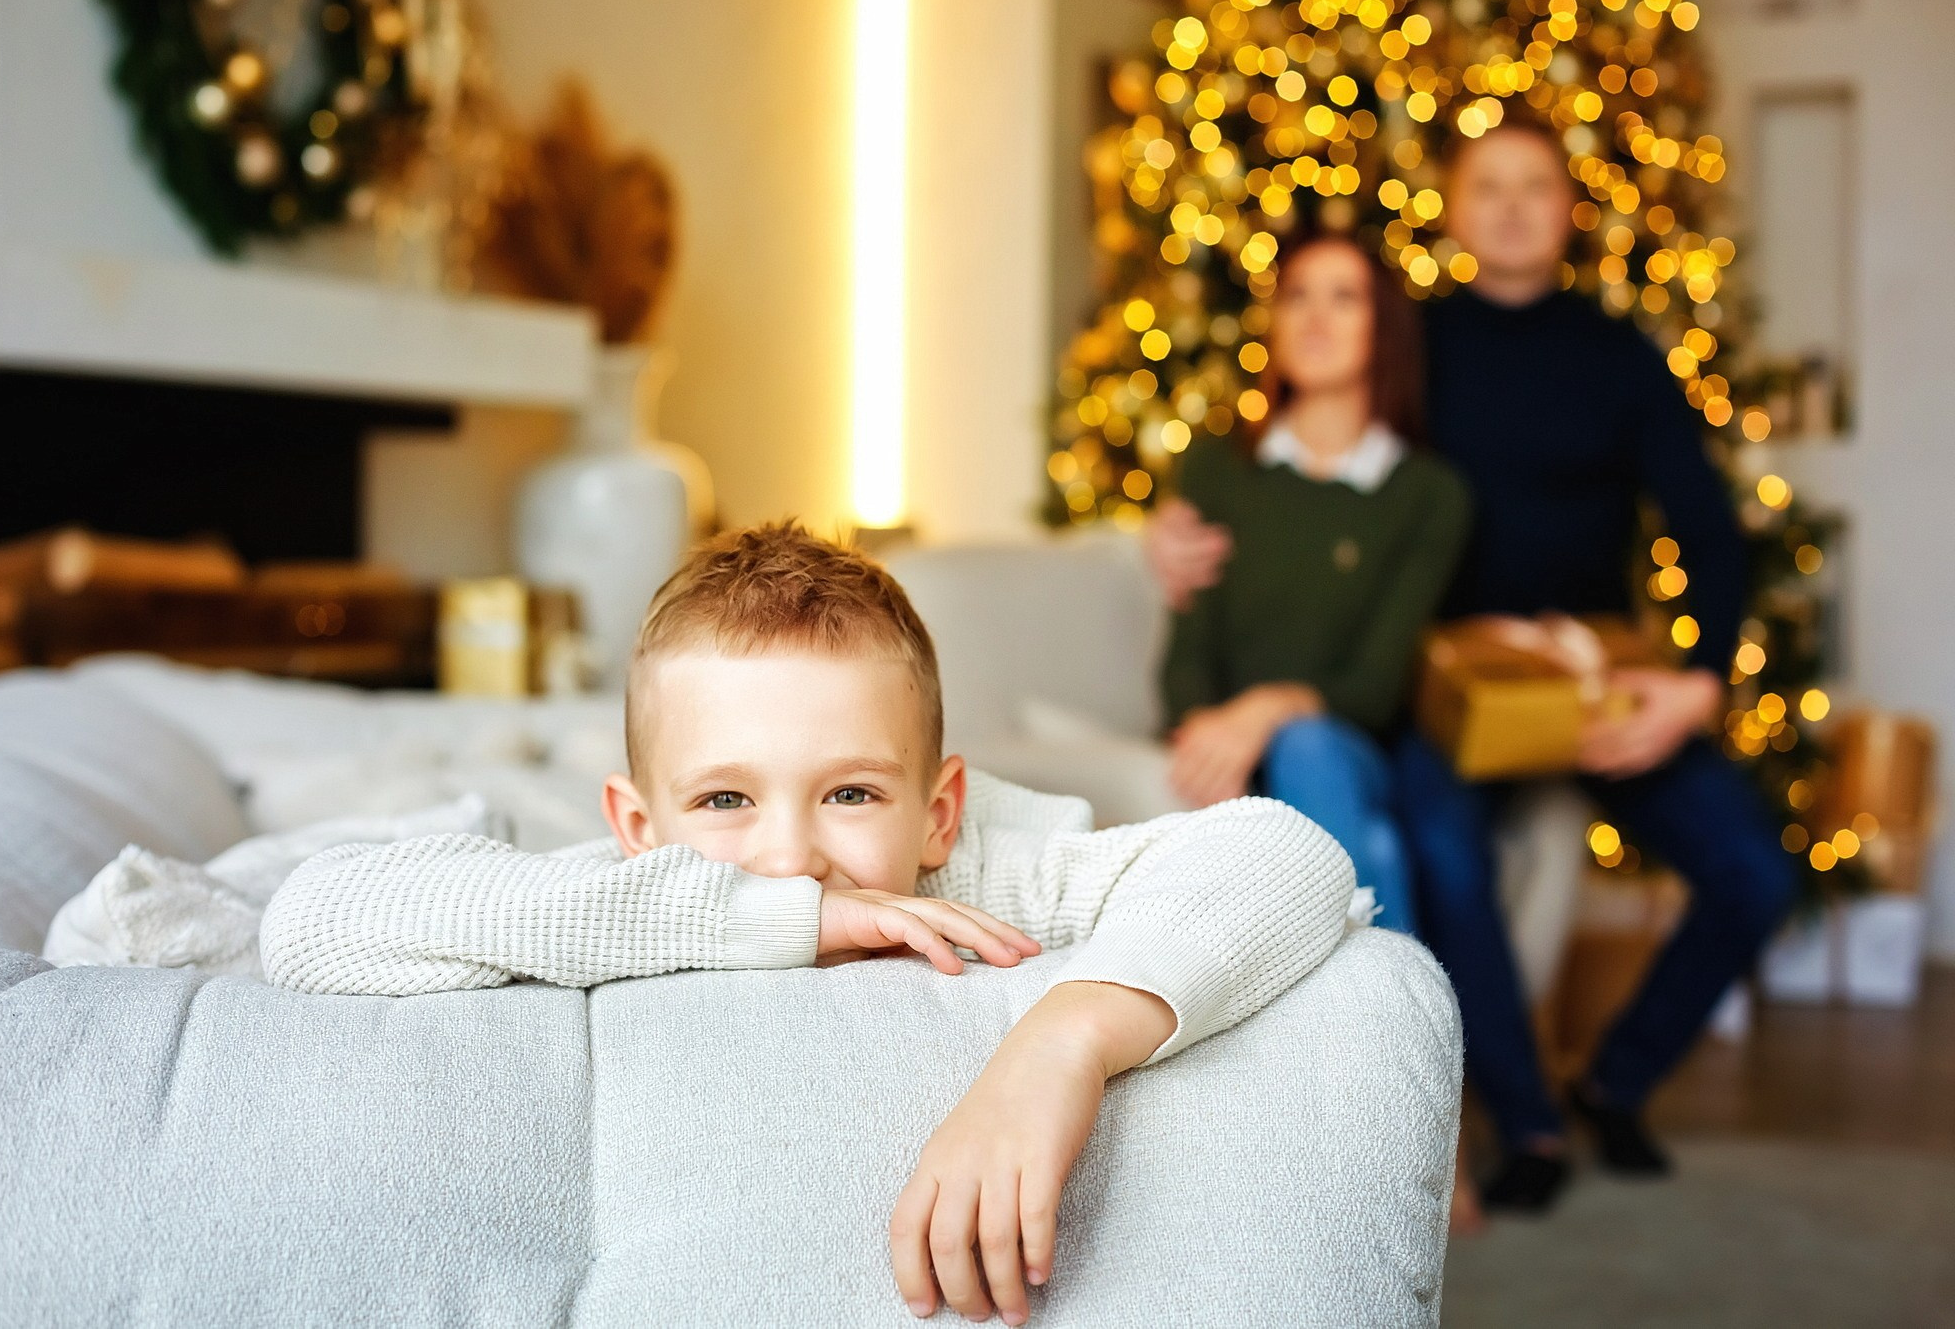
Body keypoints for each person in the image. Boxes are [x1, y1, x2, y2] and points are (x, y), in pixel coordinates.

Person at [260, 522, 1359, 1325]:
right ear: (637, 826)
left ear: (936, 812)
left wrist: (1059, 1044)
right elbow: (313, 916)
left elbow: (1289, 851)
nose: (788, 855)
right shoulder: (632, 891)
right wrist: (760, 919)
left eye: (849, 793)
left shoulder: (976, 874)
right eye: (726, 799)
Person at [1147, 119, 1797, 1214]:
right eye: (1484, 185)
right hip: (1438, 694)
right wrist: (1168, 527)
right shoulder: (1408, 342)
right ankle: (1525, 1121)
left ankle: (1614, 1080)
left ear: (1566, 208)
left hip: (1591, 681)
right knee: (1445, 856)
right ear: (1452, 207)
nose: (1506, 206)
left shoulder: (1619, 356)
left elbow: (1707, 526)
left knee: (1752, 871)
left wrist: (1698, 683)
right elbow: (1286, 462)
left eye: (1532, 185)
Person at [1160, 229, 1470, 937]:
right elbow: (1185, 652)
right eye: (1297, 296)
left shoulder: (1427, 494)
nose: (1315, 318)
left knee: (1308, 746)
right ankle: (1397, 1039)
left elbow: (1374, 688)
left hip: (1349, 755)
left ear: (1382, 328)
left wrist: (1270, 709)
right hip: (1226, 757)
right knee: (1379, 851)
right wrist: (1213, 731)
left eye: (1344, 297)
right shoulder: (1218, 470)